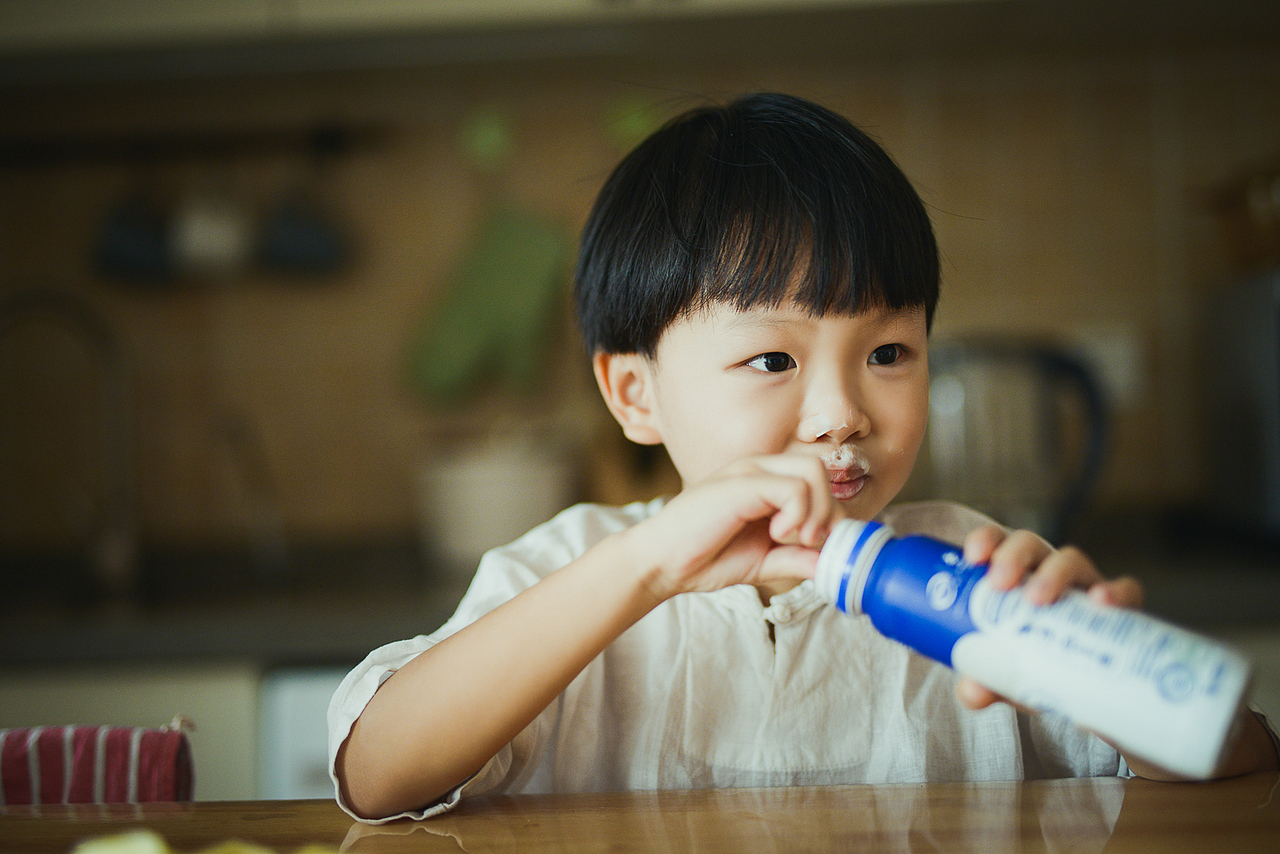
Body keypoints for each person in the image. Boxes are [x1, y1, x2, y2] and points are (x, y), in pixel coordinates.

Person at [329, 93, 1279, 822]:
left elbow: (1236, 758)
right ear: (634, 394)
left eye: (888, 353)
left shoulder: (974, 568)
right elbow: (377, 776)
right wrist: (648, 564)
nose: (838, 415)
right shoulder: (570, 572)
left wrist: (1094, 665)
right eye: (773, 358)